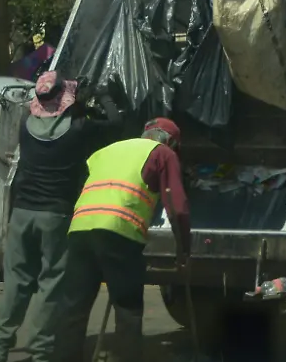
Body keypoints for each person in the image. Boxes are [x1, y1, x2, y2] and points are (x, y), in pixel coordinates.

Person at [0, 71, 121, 362]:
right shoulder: (78, 129)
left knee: (17, 284)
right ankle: (40, 351)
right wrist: (104, 94)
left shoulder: (25, 125)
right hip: (55, 216)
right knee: (50, 284)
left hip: (22, 214)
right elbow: (116, 124)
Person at [56, 117, 191, 362]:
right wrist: (184, 250)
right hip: (119, 232)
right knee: (128, 309)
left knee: (73, 308)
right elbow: (177, 207)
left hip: (80, 228)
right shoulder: (163, 154)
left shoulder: (107, 151)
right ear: (170, 141)